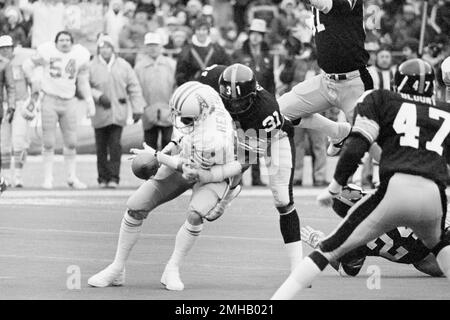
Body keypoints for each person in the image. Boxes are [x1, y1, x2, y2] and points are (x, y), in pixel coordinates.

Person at [272, 58, 450, 299]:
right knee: (442, 249)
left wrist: (334, 187)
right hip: (433, 198)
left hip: (396, 191)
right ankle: (337, 133)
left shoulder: (381, 100)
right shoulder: (444, 110)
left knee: (326, 250)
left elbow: (358, 147)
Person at [88, 82, 241, 291]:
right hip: (190, 157)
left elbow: (190, 171)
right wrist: (170, 147)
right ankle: (117, 267)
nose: (180, 120)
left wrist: (158, 156)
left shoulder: (214, 138)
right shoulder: (201, 95)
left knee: (196, 213)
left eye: (186, 118)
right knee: (136, 205)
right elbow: (182, 130)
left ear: (201, 115)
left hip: (214, 171)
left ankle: (173, 268)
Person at [198, 63, 304, 271]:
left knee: (282, 199)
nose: (235, 106)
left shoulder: (266, 110)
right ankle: (231, 189)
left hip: (273, 136)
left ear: (253, 94)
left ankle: (298, 266)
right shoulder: (209, 80)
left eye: (241, 101)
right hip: (237, 130)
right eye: (230, 101)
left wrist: (213, 177)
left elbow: (245, 161)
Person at [277, 0, 374, 157]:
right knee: (277, 113)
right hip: (326, 81)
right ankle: (337, 131)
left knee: (371, 139)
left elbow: (325, 5)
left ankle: (391, 179)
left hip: (354, 83)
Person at [302, 184, 450, 278]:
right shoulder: (388, 197)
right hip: (439, 234)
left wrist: (319, 243)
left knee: (420, 260)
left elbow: (347, 271)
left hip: (426, 258)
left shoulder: (353, 238)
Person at [23, 30, 95, 190]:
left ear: (72, 42)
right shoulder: (47, 51)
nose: (64, 42)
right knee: (48, 142)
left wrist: (89, 100)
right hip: (49, 99)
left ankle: (71, 177)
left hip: (69, 101)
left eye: (67, 40)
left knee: (71, 142)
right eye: (61, 40)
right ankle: (48, 178)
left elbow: (83, 81)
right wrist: (34, 80)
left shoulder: (80, 54)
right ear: (55, 42)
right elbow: (27, 65)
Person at [89, 34, 145, 189]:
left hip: (118, 112)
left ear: (113, 49)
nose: (105, 50)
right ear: (98, 49)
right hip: (100, 111)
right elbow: (84, 86)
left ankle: (114, 177)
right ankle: (102, 177)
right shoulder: (91, 66)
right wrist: (98, 96)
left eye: (108, 47)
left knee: (115, 145)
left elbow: (134, 87)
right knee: (100, 147)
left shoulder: (123, 65)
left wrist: (137, 107)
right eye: (102, 47)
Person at [232, 18, 274, 186]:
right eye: (253, 33)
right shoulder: (239, 55)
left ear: (263, 36)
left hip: (260, 104)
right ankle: (237, 177)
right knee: (241, 139)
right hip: (241, 104)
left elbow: (271, 83)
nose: (255, 37)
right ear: (249, 35)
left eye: (259, 34)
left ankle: (256, 177)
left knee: (258, 140)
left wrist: (272, 102)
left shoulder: (267, 57)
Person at [0, 36, 36, 188]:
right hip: (3, 104)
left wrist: (32, 103)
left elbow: (34, 82)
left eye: (8, 47)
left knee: (19, 141)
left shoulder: (24, 61)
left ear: (13, 47)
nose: (5, 50)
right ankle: (6, 177)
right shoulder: (1, 64)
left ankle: (18, 176)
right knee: (4, 143)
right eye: (2, 48)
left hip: (21, 103)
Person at [134, 33, 176, 150]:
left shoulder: (171, 65)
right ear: (146, 47)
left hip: (168, 111)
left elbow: (176, 87)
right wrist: (142, 107)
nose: (153, 48)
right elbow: (136, 90)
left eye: (155, 45)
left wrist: (172, 106)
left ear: (161, 46)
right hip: (148, 111)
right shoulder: (139, 67)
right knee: (149, 146)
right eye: (150, 45)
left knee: (168, 145)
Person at [175, 16, 231, 85]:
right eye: (198, 29)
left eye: (204, 29)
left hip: (214, 88)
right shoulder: (186, 51)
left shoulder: (218, 49)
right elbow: (180, 75)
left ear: (208, 31)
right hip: (193, 88)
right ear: (194, 31)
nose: (201, 32)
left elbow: (226, 68)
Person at [0, 35, 15, 190]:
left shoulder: (5, 64)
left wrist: (11, 106)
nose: (4, 51)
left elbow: (10, 87)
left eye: (7, 48)